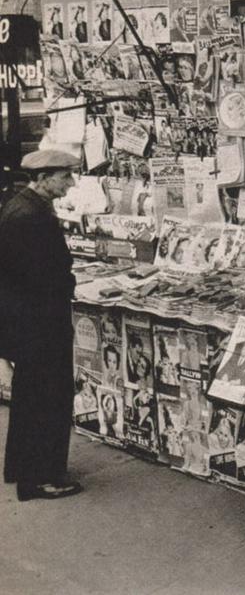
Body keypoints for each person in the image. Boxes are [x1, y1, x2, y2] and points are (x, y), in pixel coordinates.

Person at [0, 149, 84, 500]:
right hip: (40, 321)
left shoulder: (21, 206)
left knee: (30, 395)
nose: (70, 182)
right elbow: (44, 274)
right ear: (45, 177)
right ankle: (41, 478)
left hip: (27, 319)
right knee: (48, 397)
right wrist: (68, 283)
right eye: (65, 176)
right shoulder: (32, 217)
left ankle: (21, 469)